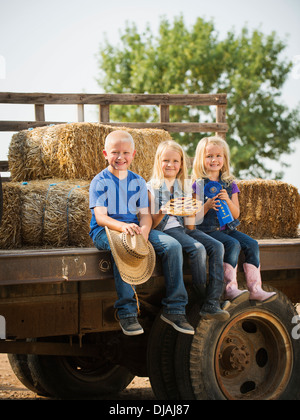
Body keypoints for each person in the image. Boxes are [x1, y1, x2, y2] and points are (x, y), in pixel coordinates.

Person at [89, 130, 194, 336]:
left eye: (126, 152)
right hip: (107, 231)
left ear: (134, 154)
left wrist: (144, 233)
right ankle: (127, 312)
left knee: (173, 246)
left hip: (136, 230)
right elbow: (101, 217)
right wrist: (123, 228)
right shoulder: (100, 181)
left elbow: (145, 216)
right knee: (124, 247)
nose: (121, 157)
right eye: (115, 152)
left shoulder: (137, 181)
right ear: (104, 154)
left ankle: (175, 308)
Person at [147, 140, 230, 320]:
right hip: (166, 231)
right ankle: (201, 297)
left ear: (182, 164)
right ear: (158, 162)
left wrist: (194, 209)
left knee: (217, 246)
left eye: (175, 161)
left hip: (183, 229)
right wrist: (163, 210)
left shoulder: (183, 187)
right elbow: (152, 225)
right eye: (166, 160)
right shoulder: (151, 188)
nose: (170, 165)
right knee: (198, 249)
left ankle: (213, 300)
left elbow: (190, 226)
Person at [192, 136, 277, 303]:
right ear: (201, 159)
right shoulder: (198, 185)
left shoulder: (230, 184)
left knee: (252, 244)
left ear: (224, 158)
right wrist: (207, 205)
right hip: (207, 230)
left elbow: (236, 214)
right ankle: (230, 287)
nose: (214, 160)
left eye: (218, 156)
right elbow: (194, 218)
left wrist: (228, 200)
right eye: (209, 156)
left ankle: (255, 288)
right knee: (233, 244)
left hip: (229, 228)